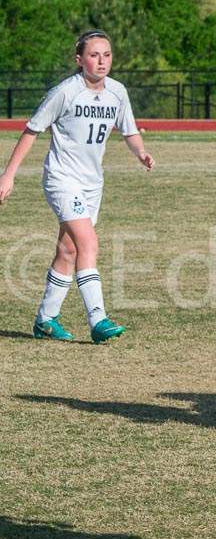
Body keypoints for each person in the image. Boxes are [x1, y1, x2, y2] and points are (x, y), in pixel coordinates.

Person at [0, 30, 154, 343]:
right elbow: (32, 131)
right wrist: (8, 174)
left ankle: (45, 319)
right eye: (94, 55)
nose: (102, 61)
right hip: (61, 178)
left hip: (92, 183)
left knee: (69, 249)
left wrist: (141, 152)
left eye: (107, 54)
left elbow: (129, 130)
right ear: (79, 60)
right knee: (89, 243)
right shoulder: (65, 92)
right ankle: (98, 319)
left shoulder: (117, 92)